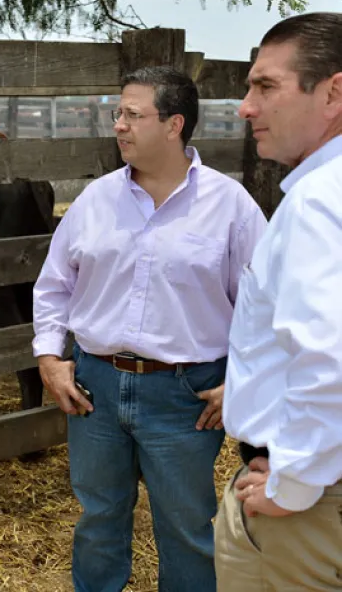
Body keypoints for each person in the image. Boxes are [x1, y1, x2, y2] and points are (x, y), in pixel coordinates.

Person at [32, 65, 267, 592]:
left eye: (133, 115)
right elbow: (53, 286)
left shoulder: (231, 208)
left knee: (186, 527)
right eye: (118, 113)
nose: (119, 125)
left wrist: (243, 382)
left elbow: (266, 307)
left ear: (174, 124)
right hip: (96, 388)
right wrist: (50, 358)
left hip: (187, 394)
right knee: (98, 519)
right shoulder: (95, 200)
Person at [216, 12, 342, 591]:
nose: (246, 106)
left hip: (307, 512)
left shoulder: (318, 202)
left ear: (333, 92)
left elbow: (330, 357)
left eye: (266, 86)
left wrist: (291, 484)